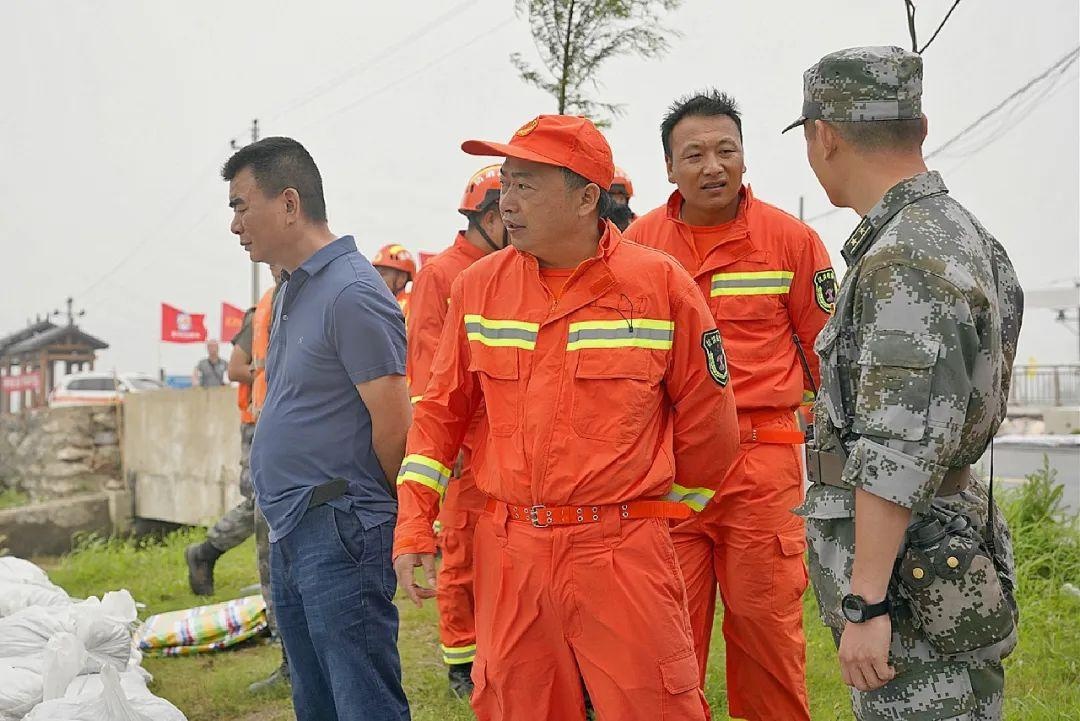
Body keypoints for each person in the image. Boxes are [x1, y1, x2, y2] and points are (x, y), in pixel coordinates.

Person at [392, 114, 740, 721]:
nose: (507, 200)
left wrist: (663, 515)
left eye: (526, 184)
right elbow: (438, 418)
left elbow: (709, 420)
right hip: (512, 551)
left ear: (586, 198)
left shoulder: (659, 285)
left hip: (623, 550)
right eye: (505, 181)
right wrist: (416, 525)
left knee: (654, 707)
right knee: (516, 705)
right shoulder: (477, 288)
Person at [785, 46, 1022, 720]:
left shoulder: (903, 259)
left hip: (908, 572)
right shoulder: (962, 233)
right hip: (939, 543)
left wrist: (868, 601)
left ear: (824, 134)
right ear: (918, 127)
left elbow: (896, 447)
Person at [624, 90, 835, 721]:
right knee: (666, 638)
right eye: (694, 154)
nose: (712, 166)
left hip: (761, 468)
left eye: (726, 150)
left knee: (766, 629)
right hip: (670, 469)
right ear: (668, 168)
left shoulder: (791, 242)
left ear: (744, 157)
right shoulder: (637, 245)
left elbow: (829, 359)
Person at [223, 136, 412, 721]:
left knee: (362, 698)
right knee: (317, 698)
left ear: (287, 203)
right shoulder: (290, 292)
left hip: (339, 524)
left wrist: (367, 507)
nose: (234, 225)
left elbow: (395, 421)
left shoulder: (353, 293)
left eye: (240, 205)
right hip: (295, 523)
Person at [406, 163, 506, 697]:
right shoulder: (441, 276)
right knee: (462, 553)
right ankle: (461, 663)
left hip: (506, 443)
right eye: (508, 212)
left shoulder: (507, 269)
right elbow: (425, 371)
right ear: (489, 216)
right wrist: (449, 451)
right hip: (465, 449)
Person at [372, 244, 416, 319]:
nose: (376, 279)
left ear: (401, 279)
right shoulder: (374, 302)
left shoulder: (409, 306)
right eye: (375, 273)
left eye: (382, 274)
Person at [607, 166, 638, 231]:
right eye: (611, 193)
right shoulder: (593, 227)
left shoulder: (639, 225)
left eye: (620, 193)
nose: (616, 198)